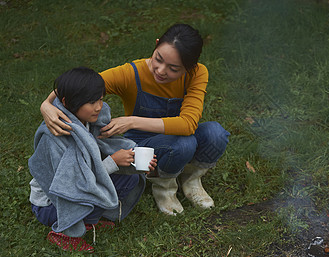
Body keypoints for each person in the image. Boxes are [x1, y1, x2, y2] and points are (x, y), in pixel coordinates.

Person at [40, 24, 230, 216]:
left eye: (173, 68)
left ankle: (190, 181)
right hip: (143, 144)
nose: (161, 71)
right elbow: (78, 87)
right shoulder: (132, 73)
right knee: (184, 143)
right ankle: (164, 187)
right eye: (158, 59)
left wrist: (130, 121)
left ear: (190, 67)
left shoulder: (198, 73)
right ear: (156, 45)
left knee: (216, 134)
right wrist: (46, 104)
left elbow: (188, 124)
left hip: (178, 133)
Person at [29, 67, 157, 252]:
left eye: (101, 99)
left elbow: (101, 153)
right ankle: (63, 233)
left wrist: (133, 160)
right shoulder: (56, 135)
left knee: (130, 178)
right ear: (67, 102)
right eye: (91, 102)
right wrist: (113, 161)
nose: (98, 107)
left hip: (77, 183)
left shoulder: (89, 121)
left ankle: (88, 220)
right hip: (52, 204)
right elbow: (70, 184)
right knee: (90, 193)